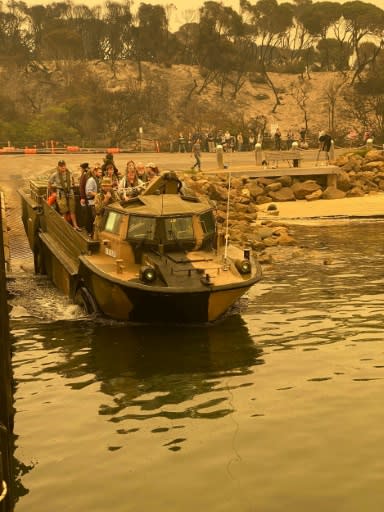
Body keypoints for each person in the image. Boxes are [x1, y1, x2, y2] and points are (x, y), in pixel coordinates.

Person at [48, 159, 81, 231]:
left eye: (64, 166)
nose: (63, 167)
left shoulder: (69, 172)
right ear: (58, 167)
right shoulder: (55, 175)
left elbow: (72, 179)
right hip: (61, 193)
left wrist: (74, 184)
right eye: (61, 166)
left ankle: (75, 226)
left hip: (70, 192)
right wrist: (52, 192)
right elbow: (49, 184)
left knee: (72, 209)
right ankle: (65, 227)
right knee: (64, 210)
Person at [85, 163, 102, 236]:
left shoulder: (98, 180)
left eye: (101, 172)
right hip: (92, 202)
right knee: (94, 219)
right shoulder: (91, 180)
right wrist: (98, 195)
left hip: (97, 202)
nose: (101, 173)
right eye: (99, 172)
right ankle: (92, 233)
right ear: (95, 172)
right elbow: (88, 192)